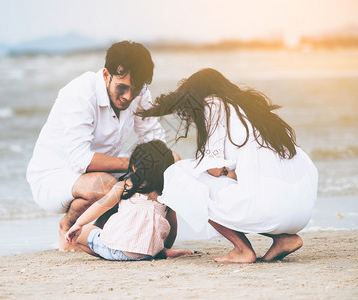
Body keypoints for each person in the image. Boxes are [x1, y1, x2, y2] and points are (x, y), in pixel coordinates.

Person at [138, 68, 318, 263]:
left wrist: (227, 173)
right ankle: (282, 239)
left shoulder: (212, 105)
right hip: (298, 209)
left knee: (179, 174)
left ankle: (242, 249)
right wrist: (230, 173)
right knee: (218, 184)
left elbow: (213, 169)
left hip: (273, 209)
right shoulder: (246, 108)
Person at [26, 41, 166, 251]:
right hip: (54, 176)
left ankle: (104, 235)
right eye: (122, 88)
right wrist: (134, 165)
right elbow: (80, 159)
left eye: (135, 90)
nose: (128, 96)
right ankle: (67, 226)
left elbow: (154, 138)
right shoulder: (80, 93)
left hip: (102, 172)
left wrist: (162, 166)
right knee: (109, 186)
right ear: (106, 75)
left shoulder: (139, 93)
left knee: (165, 165)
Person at [65, 140, 193, 260]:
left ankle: (110, 252)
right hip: (148, 253)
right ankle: (161, 251)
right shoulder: (166, 195)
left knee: (80, 235)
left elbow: (100, 206)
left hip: (117, 250)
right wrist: (164, 248)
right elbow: (173, 229)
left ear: (134, 167)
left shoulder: (125, 186)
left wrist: (78, 224)